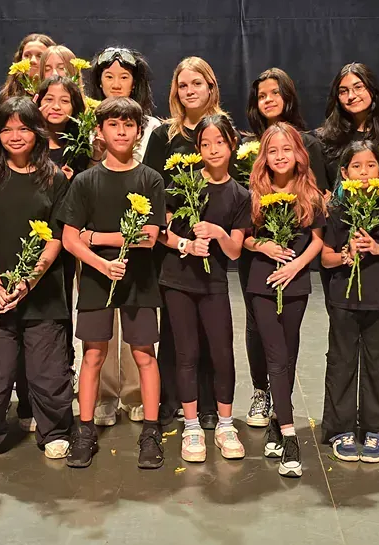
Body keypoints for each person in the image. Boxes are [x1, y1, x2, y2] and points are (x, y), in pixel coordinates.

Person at [0, 97, 74, 465]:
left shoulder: (54, 178)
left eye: (23, 128)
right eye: (7, 129)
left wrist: (29, 281)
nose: (15, 136)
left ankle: (55, 430)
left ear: (37, 132)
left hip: (42, 294)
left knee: (48, 372)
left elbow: (57, 237)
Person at [59, 96, 167, 469]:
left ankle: (150, 432)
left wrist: (97, 237)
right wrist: (101, 265)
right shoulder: (87, 181)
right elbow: (69, 238)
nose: (121, 131)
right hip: (95, 278)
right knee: (93, 354)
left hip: (138, 279)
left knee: (143, 355)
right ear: (100, 132)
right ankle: (85, 429)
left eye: (128, 125)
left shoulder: (150, 178)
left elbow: (149, 236)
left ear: (138, 132)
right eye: (113, 125)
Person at [160, 114, 250, 462]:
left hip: (213, 283)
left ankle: (226, 424)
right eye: (206, 144)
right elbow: (162, 233)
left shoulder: (239, 194)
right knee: (186, 353)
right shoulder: (182, 184)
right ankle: (193, 425)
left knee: (221, 352)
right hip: (178, 281)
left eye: (220, 143)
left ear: (231, 146)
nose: (213, 150)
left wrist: (218, 233)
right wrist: (185, 244)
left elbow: (235, 250)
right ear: (197, 149)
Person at [242, 68, 329, 428]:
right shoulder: (250, 157)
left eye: (274, 93)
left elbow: (318, 228)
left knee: (286, 345)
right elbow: (243, 228)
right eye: (261, 95)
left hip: (296, 272)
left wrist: (296, 265)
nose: (268, 100)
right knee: (260, 334)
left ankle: (283, 405)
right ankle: (266, 396)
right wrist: (262, 245)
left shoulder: (308, 150)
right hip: (260, 269)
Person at [143, 56, 226, 428]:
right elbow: (151, 183)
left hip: (212, 244)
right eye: (183, 85)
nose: (190, 91)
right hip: (174, 241)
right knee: (175, 329)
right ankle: (170, 400)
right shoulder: (164, 134)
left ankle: (208, 404)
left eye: (197, 83)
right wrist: (169, 224)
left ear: (211, 87)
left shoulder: (221, 129)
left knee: (211, 330)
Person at [82, 46, 161, 426]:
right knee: (98, 332)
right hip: (92, 237)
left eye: (124, 77)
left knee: (138, 330)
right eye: (109, 77)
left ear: (136, 81)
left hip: (136, 238)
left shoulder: (151, 127)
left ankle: (135, 393)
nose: (116, 84)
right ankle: (105, 394)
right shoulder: (88, 122)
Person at [320, 140, 379, 463]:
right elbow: (326, 257)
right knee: (341, 363)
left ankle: (377, 428)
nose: (363, 173)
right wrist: (347, 255)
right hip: (343, 300)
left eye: (370, 165)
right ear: (344, 173)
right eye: (356, 166)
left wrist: (377, 249)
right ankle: (340, 427)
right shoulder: (336, 210)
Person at [316, 62, 379, 199]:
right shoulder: (324, 139)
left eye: (358, 87)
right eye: (343, 91)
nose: (351, 96)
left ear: (372, 90)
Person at [36, 75, 91, 180]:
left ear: (74, 107)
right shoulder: (28, 142)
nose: (56, 106)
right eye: (49, 99)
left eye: (64, 101)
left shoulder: (81, 144)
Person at [0, 33, 55, 99]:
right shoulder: (5, 96)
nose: (32, 60)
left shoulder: (64, 93)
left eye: (40, 56)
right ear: (20, 59)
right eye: (27, 55)